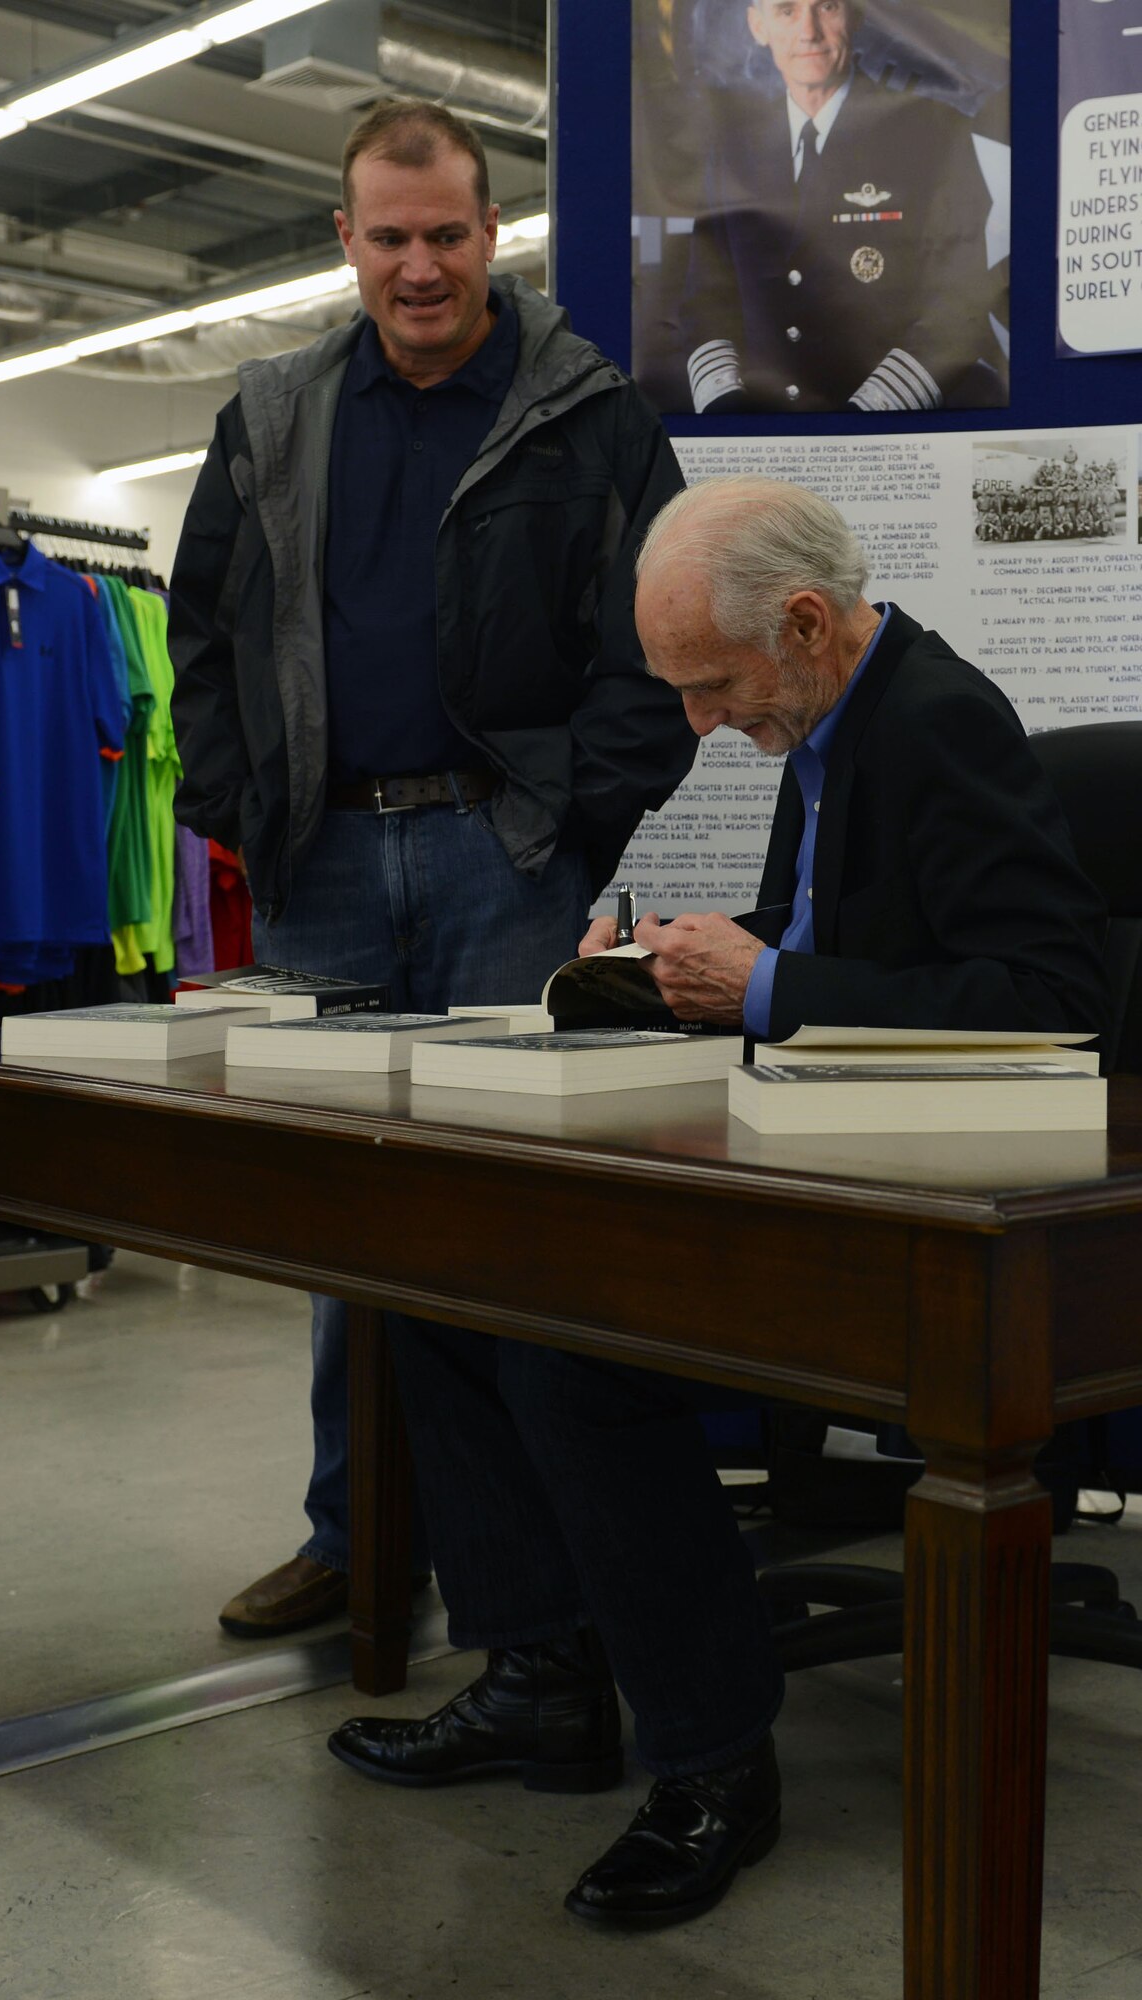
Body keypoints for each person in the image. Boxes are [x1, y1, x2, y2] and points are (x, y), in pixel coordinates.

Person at [328, 476, 1108, 1930]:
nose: (699, 724)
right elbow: (826, 966)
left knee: (569, 1353)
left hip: (936, 1218)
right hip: (820, 1163)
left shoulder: (934, 724)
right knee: (433, 1287)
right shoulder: (828, 724)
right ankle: (547, 1676)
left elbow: (1055, 998)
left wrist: (762, 983)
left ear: (804, 624)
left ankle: (712, 1763)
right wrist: (669, 979)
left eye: (712, 685)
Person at [170, 98, 697, 1639]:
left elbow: (656, 638)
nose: (419, 267)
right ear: (344, 239)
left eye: (447, 235)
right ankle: (362, 1534)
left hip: (502, 857)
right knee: (351, 1228)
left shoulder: (586, 410)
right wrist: (239, 804)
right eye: (388, 237)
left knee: (515, 1226)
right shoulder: (270, 410)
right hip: (323, 860)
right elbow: (199, 629)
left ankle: (524, 1570)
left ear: (492, 235)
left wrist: (569, 823)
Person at [682, 0, 1003, 414]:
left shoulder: (932, 133)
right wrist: (726, 406)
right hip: (763, 426)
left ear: (857, 15)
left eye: (827, 7)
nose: (809, 31)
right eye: (786, 11)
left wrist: (867, 414)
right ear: (757, 26)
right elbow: (706, 295)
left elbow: (961, 301)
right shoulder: (734, 147)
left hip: (892, 424)